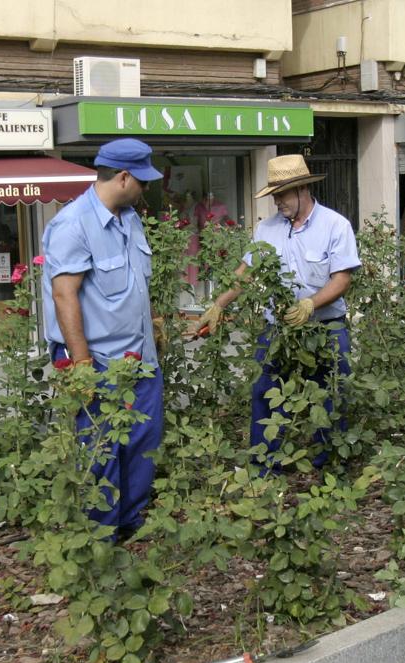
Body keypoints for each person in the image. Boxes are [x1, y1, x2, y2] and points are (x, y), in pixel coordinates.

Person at [192, 154, 360, 469]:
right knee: (265, 390)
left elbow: (342, 278)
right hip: (278, 329)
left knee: (334, 390)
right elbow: (246, 271)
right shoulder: (267, 229)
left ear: (303, 190)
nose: (277, 202)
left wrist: (311, 303)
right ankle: (265, 464)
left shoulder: (335, 225)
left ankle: (331, 463)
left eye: (281, 194)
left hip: (325, 326)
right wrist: (219, 304)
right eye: (274, 195)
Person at [40, 138, 164, 540]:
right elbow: (64, 294)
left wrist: (154, 322)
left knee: (143, 441)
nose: (146, 190)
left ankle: (130, 521)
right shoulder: (72, 224)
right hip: (99, 362)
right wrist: (80, 365)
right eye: (142, 182)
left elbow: (135, 284)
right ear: (124, 177)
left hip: (140, 357)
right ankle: (101, 535)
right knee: (102, 449)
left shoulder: (130, 218)